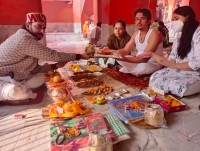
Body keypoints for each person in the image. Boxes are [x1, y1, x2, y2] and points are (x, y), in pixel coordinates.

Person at [0, 12, 90, 104]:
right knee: (14, 91)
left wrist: (55, 66)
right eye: (38, 27)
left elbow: (34, 69)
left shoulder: (30, 39)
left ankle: (21, 94)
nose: (42, 31)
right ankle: (18, 96)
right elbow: (52, 55)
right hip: (2, 79)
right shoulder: (24, 39)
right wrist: (79, 56)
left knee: (43, 78)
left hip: (17, 77)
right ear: (28, 25)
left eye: (44, 27)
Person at [140, 6, 200, 97]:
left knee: (176, 85)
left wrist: (174, 65)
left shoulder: (198, 33)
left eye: (176, 19)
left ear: (187, 18)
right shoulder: (179, 36)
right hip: (178, 69)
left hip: (195, 73)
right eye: (173, 19)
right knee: (155, 77)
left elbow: (197, 63)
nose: (173, 22)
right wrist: (155, 55)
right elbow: (172, 59)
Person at [113, 8, 163, 76]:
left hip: (152, 64)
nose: (139, 22)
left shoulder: (155, 34)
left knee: (142, 67)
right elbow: (125, 50)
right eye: (136, 19)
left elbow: (144, 59)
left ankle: (127, 69)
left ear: (149, 21)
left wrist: (125, 59)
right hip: (138, 62)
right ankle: (131, 70)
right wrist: (113, 53)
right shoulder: (136, 34)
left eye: (142, 19)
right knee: (119, 57)